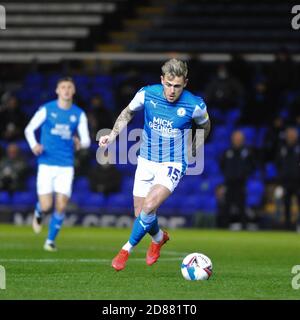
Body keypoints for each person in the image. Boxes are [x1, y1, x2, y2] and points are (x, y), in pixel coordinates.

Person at [99, 58, 211, 271]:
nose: (172, 91)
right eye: (168, 85)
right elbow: (128, 112)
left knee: (149, 207)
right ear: (162, 80)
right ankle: (159, 238)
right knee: (141, 213)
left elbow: (206, 126)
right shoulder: (146, 94)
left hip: (174, 162)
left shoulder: (194, 104)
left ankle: (125, 251)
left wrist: (195, 148)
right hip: (146, 160)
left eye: (177, 86)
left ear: (185, 83)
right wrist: (112, 135)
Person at [24, 77, 91, 251]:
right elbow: (29, 129)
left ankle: (50, 241)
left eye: (69, 87)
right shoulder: (47, 109)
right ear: (57, 90)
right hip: (46, 163)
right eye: (63, 87)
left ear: (74, 91)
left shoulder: (79, 114)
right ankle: (39, 211)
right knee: (46, 205)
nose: (66, 90)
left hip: (66, 165)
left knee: (61, 205)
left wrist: (79, 142)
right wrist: (34, 145)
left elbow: (87, 141)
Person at [219, 130, 255, 230]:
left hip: (241, 183)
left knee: (242, 207)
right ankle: (224, 228)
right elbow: (222, 165)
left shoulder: (247, 152)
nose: (237, 140)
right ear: (232, 139)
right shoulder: (227, 152)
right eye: (236, 138)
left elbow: (252, 165)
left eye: (239, 138)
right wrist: (228, 175)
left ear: (243, 140)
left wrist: (244, 174)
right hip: (229, 183)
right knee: (226, 206)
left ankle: (244, 227)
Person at [275, 127, 300, 231]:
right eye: (289, 134)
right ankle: (287, 227)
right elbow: (278, 163)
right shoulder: (282, 148)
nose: (290, 136)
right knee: (286, 205)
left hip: (298, 181)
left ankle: (298, 225)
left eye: (292, 134)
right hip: (285, 181)